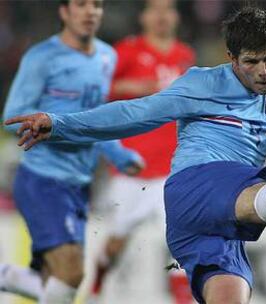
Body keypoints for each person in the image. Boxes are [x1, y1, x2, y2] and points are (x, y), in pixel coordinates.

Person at [4, 6, 266, 304]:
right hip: (195, 188)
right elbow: (133, 114)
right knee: (263, 188)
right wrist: (59, 124)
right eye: (252, 62)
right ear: (231, 59)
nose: (265, 71)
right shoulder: (201, 84)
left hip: (219, 227)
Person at [0, 0, 142, 303]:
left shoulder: (107, 56)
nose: (90, 12)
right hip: (43, 179)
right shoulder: (42, 57)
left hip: (80, 183)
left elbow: (95, 119)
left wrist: (117, 154)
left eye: (97, 5)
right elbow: (12, 117)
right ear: (64, 12)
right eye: (81, 4)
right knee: (72, 271)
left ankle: (8, 276)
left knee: (55, 283)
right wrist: (54, 128)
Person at [90, 0, 195, 302]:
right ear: (144, 16)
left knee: (183, 242)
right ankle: (94, 288)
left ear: (176, 16)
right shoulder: (127, 50)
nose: (162, 16)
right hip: (133, 168)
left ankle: (183, 298)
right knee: (116, 243)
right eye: (155, 9)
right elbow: (98, 90)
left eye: (168, 9)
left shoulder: (184, 56)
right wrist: (135, 86)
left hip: (173, 170)